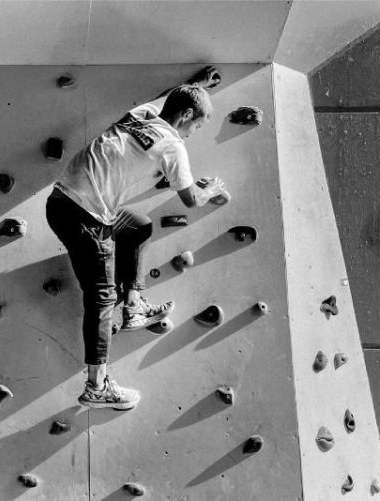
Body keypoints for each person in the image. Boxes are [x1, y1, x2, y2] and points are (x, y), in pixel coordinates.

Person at [45, 66, 228, 410]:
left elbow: (173, 96)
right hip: (87, 217)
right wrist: (212, 189)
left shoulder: (141, 114)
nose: (193, 134)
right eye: (197, 126)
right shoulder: (173, 148)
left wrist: (197, 86)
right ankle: (96, 386)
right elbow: (191, 199)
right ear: (187, 115)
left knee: (138, 226)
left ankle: (134, 306)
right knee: (100, 299)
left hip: (60, 202)